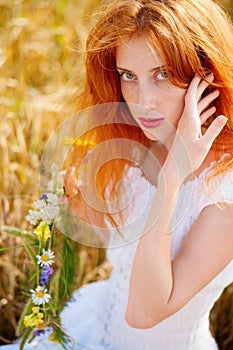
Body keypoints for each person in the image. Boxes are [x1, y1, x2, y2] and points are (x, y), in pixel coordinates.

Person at [2, 0, 233, 349]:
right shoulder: (138, 141)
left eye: (163, 74)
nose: (143, 101)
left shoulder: (224, 195)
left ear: (207, 74)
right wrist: (79, 204)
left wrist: (172, 177)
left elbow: (143, 313)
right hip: (94, 325)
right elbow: (123, 240)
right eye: (129, 76)